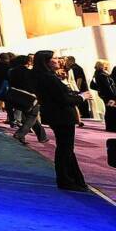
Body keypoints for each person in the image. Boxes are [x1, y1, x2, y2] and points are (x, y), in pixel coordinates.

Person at [30, 50, 88, 191]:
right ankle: (66, 180)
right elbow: (62, 99)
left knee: (66, 149)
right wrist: (82, 98)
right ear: (47, 61)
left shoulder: (43, 76)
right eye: (55, 58)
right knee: (65, 149)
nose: (58, 60)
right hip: (61, 116)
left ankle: (75, 179)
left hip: (56, 116)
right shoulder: (48, 77)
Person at [9, 54, 49, 144]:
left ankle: (42, 136)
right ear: (27, 62)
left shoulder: (12, 71)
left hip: (16, 96)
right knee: (32, 116)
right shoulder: (29, 72)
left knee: (27, 116)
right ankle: (20, 134)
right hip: (30, 97)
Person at [90, 60, 115, 132]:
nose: (107, 66)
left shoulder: (96, 74)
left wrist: (100, 90)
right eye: (106, 65)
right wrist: (113, 96)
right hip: (109, 96)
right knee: (111, 110)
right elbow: (108, 86)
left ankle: (110, 126)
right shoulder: (102, 74)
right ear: (102, 65)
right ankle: (111, 127)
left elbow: (93, 86)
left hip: (104, 95)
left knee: (109, 110)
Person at [64, 56, 90, 121]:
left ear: (71, 61)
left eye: (66, 61)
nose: (65, 62)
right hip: (79, 89)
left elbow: (79, 79)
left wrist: (77, 89)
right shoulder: (75, 68)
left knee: (82, 105)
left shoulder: (75, 68)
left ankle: (84, 118)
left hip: (79, 89)